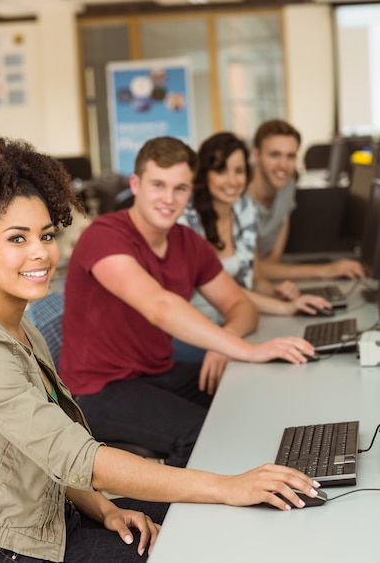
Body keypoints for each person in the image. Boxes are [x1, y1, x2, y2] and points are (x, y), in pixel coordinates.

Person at [0, 133, 324, 563]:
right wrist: (228, 486)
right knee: (202, 542)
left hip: (58, 514)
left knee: (218, 519)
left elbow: (49, 458)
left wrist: (106, 507)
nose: (41, 253)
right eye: (17, 239)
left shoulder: (21, 329)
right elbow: (76, 454)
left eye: (45, 235)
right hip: (9, 547)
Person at [60, 135, 316, 466]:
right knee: (200, 434)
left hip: (156, 373)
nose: (169, 198)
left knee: (251, 391)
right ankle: (177, 516)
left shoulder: (188, 243)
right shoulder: (104, 235)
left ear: (190, 192)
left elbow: (241, 306)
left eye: (179, 188)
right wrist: (247, 349)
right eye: (158, 185)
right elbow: (159, 307)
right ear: (136, 184)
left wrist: (228, 341)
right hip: (98, 390)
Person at [177, 131, 332, 334]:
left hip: (235, 321)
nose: (232, 181)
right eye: (221, 171)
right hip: (196, 329)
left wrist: (283, 295)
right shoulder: (186, 222)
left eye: (239, 170)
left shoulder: (244, 209)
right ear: (205, 175)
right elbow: (223, 290)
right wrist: (282, 308)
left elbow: (255, 279)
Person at [247, 119, 365, 282]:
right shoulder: (239, 198)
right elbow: (250, 268)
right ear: (256, 154)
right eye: (275, 154)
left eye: (291, 156)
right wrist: (325, 271)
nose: (283, 165)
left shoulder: (287, 186)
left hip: (264, 282)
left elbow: (275, 257)